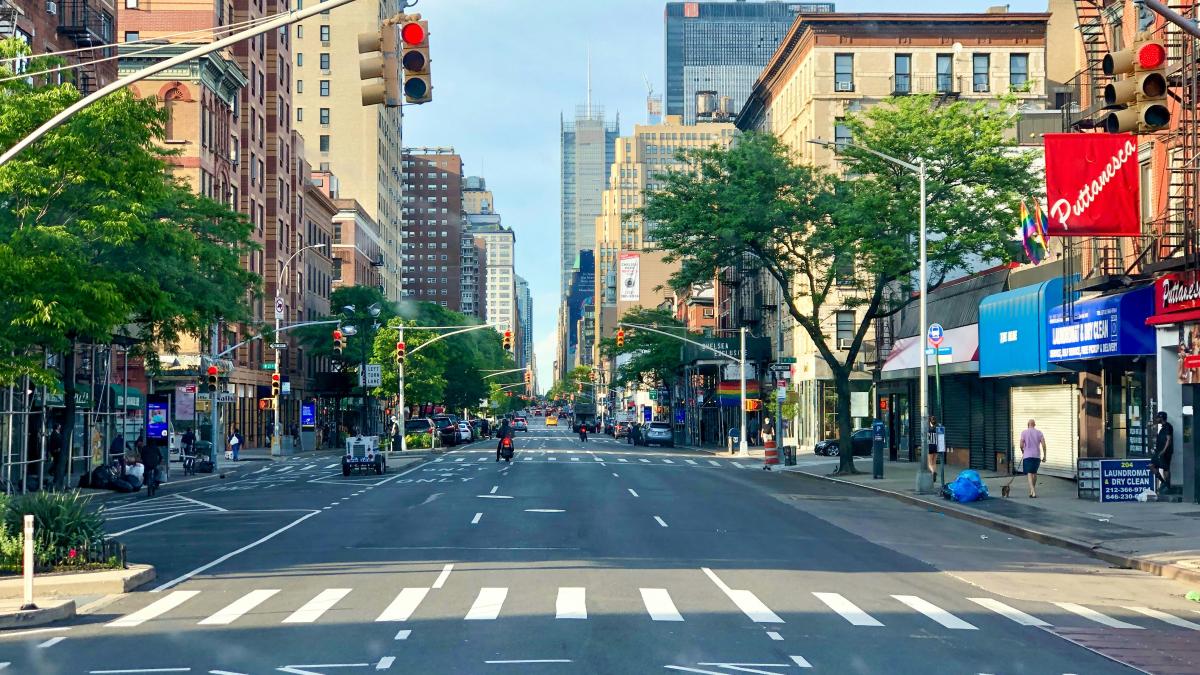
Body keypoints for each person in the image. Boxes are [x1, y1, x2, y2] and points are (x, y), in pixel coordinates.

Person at [1018, 419, 1047, 498]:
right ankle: (1032, 491)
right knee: (1034, 473)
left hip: (1027, 455)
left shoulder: (1024, 432)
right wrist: (1045, 455)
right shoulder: (1039, 432)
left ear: (1028, 424)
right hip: (1037, 456)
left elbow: (1021, 444)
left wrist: (1022, 450)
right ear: (1034, 424)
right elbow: (1044, 444)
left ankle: (1033, 491)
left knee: (1029, 473)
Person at [1152, 411, 1174, 493]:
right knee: (1152, 466)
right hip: (1159, 451)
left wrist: (1164, 450)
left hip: (1165, 452)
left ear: (1161, 418)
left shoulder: (1168, 426)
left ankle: (1167, 486)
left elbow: (1168, 440)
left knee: (1166, 468)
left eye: (1158, 417)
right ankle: (1163, 482)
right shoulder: (1161, 428)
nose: (1156, 419)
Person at [47, 423, 64, 490]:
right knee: (56, 463)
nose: (60, 426)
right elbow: (52, 443)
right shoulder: (54, 434)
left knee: (57, 463)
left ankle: (54, 474)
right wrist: (55, 449)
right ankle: (52, 471)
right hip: (56, 451)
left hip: (59, 451)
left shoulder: (59, 433)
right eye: (59, 425)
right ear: (57, 427)